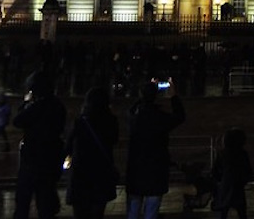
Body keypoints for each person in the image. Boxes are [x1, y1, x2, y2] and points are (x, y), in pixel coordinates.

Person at [126, 77, 186, 219]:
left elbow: (129, 111)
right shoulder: (161, 118)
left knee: (133, 210)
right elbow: (180, 116)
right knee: (151, 211)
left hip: (136, 169)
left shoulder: (134, 118)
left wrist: (144, 95)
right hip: (156, 169)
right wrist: (173, 97)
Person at [13, 70, 68, 219]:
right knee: (46, 203)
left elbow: (17, 120)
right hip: (51, 158)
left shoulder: (37, 106)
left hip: (31, 159)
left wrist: (25, 102)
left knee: (23, 201)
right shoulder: (57, 105)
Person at [64, 87, 119, 219]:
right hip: (101, 175)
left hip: (80, 176)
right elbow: (114, 140)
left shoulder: (80, 122)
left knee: (80, 213)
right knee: (97, 213)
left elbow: (68, 147)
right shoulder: (111, 122)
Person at [211, 127, 253, 219]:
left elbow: (215, 171)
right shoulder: (242, 153)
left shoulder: (223, 153)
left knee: (223, 212)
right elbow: (248, 170)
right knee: (242, 212)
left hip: (226, 185)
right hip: (238, 185)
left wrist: (221, 180)